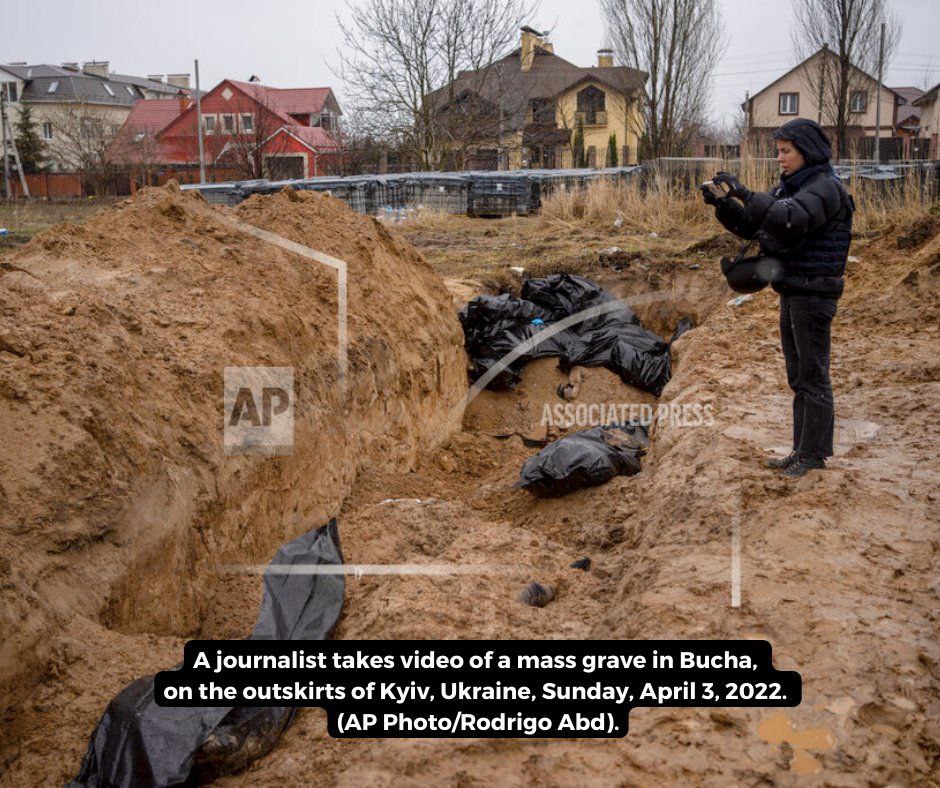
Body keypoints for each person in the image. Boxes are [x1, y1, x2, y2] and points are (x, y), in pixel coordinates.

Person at [701, 118, 854, 478]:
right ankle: (801, 450)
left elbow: (790, 221)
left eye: (786, 152)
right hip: (793, 290)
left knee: (813, 375)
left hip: (814, 292)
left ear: (807, 151)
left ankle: (813, 456)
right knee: (798, 375)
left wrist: (746, 193)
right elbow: (757, 226)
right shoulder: (793, 187)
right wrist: (723, 205)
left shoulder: (826, 188)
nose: (781, 159)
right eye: (779, 152)